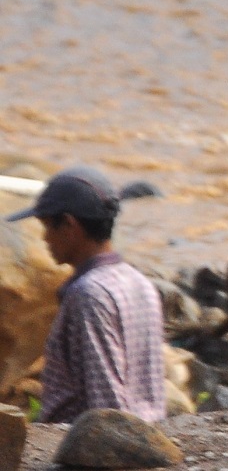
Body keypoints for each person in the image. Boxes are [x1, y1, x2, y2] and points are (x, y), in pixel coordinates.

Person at [10, 166, 165, 426]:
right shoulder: (139, 283)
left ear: (70, 225)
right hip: (146, 432)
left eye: (48, 227)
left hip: (92, 446)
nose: (45, 239)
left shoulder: (88, 295)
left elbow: (106, 405)